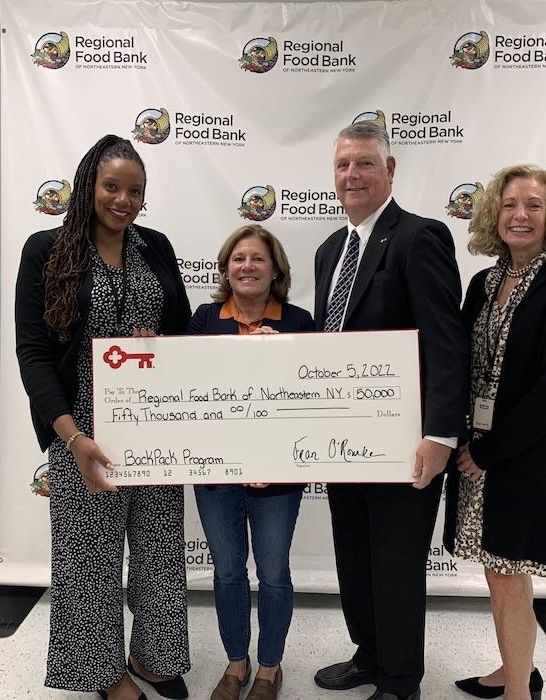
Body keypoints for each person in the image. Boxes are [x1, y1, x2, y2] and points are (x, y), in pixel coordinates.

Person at [15, 135, 191, 700]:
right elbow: (34, 352)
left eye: (135, 190)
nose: (124, 200)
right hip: (82, 429)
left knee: (160, 547)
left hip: (154, 423)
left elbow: (183, 335)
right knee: (88, 557)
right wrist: (71, 437)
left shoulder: (157, 247)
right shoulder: (46, 251)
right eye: (112, 186)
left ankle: (155, 655)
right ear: (88, 183)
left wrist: (159, 344)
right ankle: (104, 674)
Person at [312, 121, 468, 700]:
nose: (351, 175)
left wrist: (441, 435)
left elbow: (445, 341)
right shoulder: (331, 249)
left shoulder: (419, 238)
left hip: (407, 444)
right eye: (342, 165)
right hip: (345, 441)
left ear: (390, 170)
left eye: (364, 164)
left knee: (397, 562)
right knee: (353, 556)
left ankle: (401, 681)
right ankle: (371, 654)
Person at [444, 165, 546, 700]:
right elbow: (458, 358)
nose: (520, 215)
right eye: (509, 204)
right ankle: (515, 669)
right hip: (477, 447)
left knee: (508, 573)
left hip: (523, 453)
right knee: (499, 571)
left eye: (533, 204)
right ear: (494, 214)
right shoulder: (483, 283)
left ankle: (517, 692)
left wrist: (489, 452)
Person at [188, 224, 314, 700]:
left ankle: (269, 669)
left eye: (257, 258)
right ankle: (236, 663)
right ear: (225, 268)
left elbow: (312, 395)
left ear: (275, 268)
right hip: (216, 473)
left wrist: (275, 355)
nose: (247, 267)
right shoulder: (203, 319)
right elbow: (185, 388)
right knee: (226, 572)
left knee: (275, 572)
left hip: (277, 476)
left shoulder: (299, 321)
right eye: (238, 258)